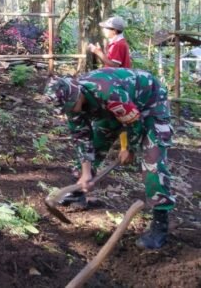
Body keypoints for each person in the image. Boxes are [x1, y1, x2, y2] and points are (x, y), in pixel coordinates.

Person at [45, 68, 174, 249]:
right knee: (94, 147)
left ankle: (160, 224)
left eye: (71, 106)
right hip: (116, 109)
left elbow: (133, 122)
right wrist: (85, 173)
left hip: (150, 102)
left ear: (78, 95)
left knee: (153, 161)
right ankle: (78, 192)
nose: (70, 111)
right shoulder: (71, 103)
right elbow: (82, 137)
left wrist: (128, 148)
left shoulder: (109, 93)